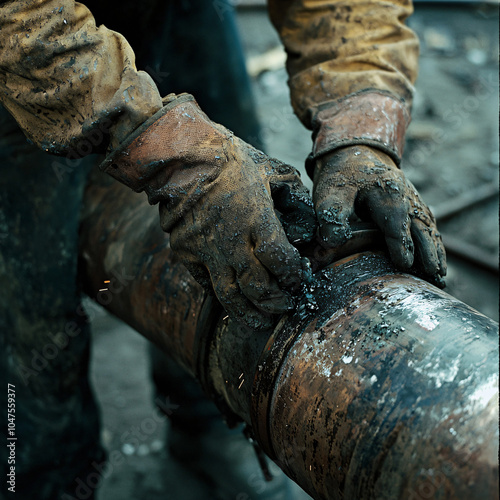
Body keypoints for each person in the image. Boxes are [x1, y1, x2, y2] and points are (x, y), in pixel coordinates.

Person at [0, 0, 446, 498]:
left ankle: (209, 427)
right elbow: (22, 25)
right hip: (21, 34)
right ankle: (41, 477)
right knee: (29, 317)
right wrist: (178, 159)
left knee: (245, 236)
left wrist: (360, 130)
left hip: (176, 11)